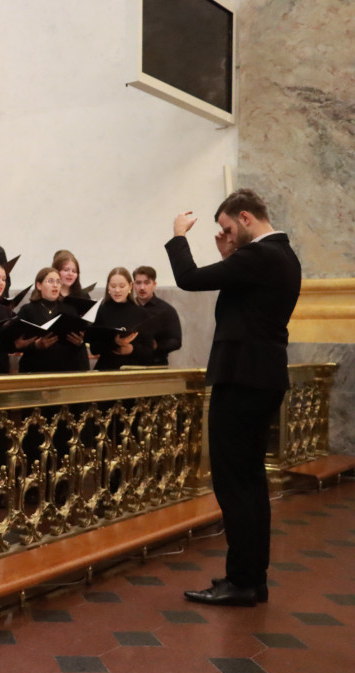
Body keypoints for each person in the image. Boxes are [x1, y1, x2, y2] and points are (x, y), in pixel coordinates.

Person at [170, 190, 301, 607]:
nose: (223, 236)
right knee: (249, 482)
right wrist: (230, 253)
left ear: (245, 217)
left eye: (227, 229)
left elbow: (189, 279)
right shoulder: (282, 255)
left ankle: (242, 581)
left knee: (233, 482)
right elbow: (242, 295)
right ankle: (250, 578)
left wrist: (177, 237)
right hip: (261, 377)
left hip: (243, 378)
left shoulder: (262, 255)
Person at [16, 267, 89, 373]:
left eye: (58, 282)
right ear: (39, 285)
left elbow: (80, 341)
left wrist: (80, 342)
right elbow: (17, 344)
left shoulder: (69, 309)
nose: (55, 285)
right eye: (50, 281)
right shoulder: (27, 310)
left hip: (65, 369)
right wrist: (36, 345)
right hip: (36, 369)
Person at [92, 267, 154, 371]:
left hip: (133, 370)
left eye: (122, 286)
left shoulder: (142, 313)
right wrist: (115, 343)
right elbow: (94, 348)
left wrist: (132, 350)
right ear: (108, 287)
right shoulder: (100, 311)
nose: (117, 290)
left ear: (130, 286)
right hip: (107, 369)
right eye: (113, 286)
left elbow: (149, 350)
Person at [132, 265, 182, 366]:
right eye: (138, 283)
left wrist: (157, 346)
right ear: (133, 285)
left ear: (154, 284)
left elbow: (176, 341)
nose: (142, 287)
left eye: (147, 283)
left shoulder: (166, 310)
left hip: (156, 363)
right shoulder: (128, 307)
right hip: (129, 363)